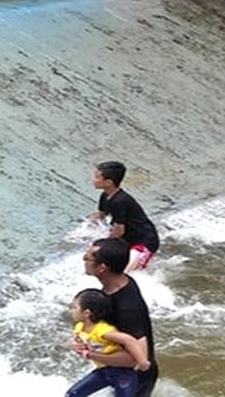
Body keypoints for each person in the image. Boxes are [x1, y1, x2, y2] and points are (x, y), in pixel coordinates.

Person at [80, 238, 158, 397]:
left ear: (102, 268)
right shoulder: (120, 281)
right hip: (118, 372)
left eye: (88, 258)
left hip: (134, 379)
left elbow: (137, 358)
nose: (83, 259)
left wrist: (89, 354)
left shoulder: (127, 309)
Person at [66, 288, 151, 397]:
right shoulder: (80, 327)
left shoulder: (103, 331)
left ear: (86, 313)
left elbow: (129, 340)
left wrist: (142, 361)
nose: (71, 310)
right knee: (72, 394)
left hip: (123, 374)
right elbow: (75, 340)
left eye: (74, 307)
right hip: (103, 371)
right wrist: (74, 345)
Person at [89, 161, 159, 273]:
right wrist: (87, 229)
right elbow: (100, 215)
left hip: (144, 242)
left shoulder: (120, 201)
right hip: (127, 239)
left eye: (97, 177)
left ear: (108, 182)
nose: (93, 179)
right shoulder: (105, 195)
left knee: (126, 273)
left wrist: (104, 246)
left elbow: (118, 231)